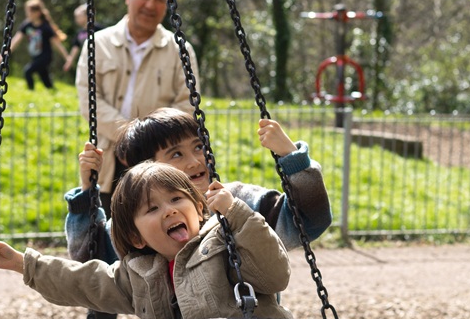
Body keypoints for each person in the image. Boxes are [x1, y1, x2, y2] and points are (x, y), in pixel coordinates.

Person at [0, 161, 292, 319]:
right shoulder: (139, 272)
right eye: (152, 209)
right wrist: (23, 264)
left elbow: (275, 274)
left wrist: (237, 213)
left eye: (176, 199)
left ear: (199, 208)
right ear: (136, 238)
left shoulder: (224, 241)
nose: (169, 210)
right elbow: (85, 282)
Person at [64, 108, 332, 265]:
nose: (195, 161)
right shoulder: (142, 223)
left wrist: (291, 157)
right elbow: (89, 259)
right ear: (146, 170)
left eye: (198, 147)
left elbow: (309, 221)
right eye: (176, 154)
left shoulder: (239, 201)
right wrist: (87, 190)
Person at [75, 0, 198, 214]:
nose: (151, 5)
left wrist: (146, 141)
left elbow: (187, 105)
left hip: (162, 162)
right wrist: (125, 137)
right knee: (107, 237)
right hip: (109, 159)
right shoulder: (97, 44)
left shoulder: (179, 50)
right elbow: (89, 100)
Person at [8, 0, 71, 91]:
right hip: (36, 56)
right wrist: (6, 53)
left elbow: (57, 44)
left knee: (28, 71)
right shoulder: (27, 25)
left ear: (37, 13)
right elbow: (16, 39)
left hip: (45, 56)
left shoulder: (45, 27)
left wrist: (67, 58)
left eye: (30, 11)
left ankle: (31, 92)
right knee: (45, 79)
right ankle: (53, 91)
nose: (27, 14)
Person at [63, 3, 89, 74]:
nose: (76, 19)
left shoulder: (99, 29)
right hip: (86, 59)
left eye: (78, 17)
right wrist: (69, 62)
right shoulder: (79, 33)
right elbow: (75, 48)